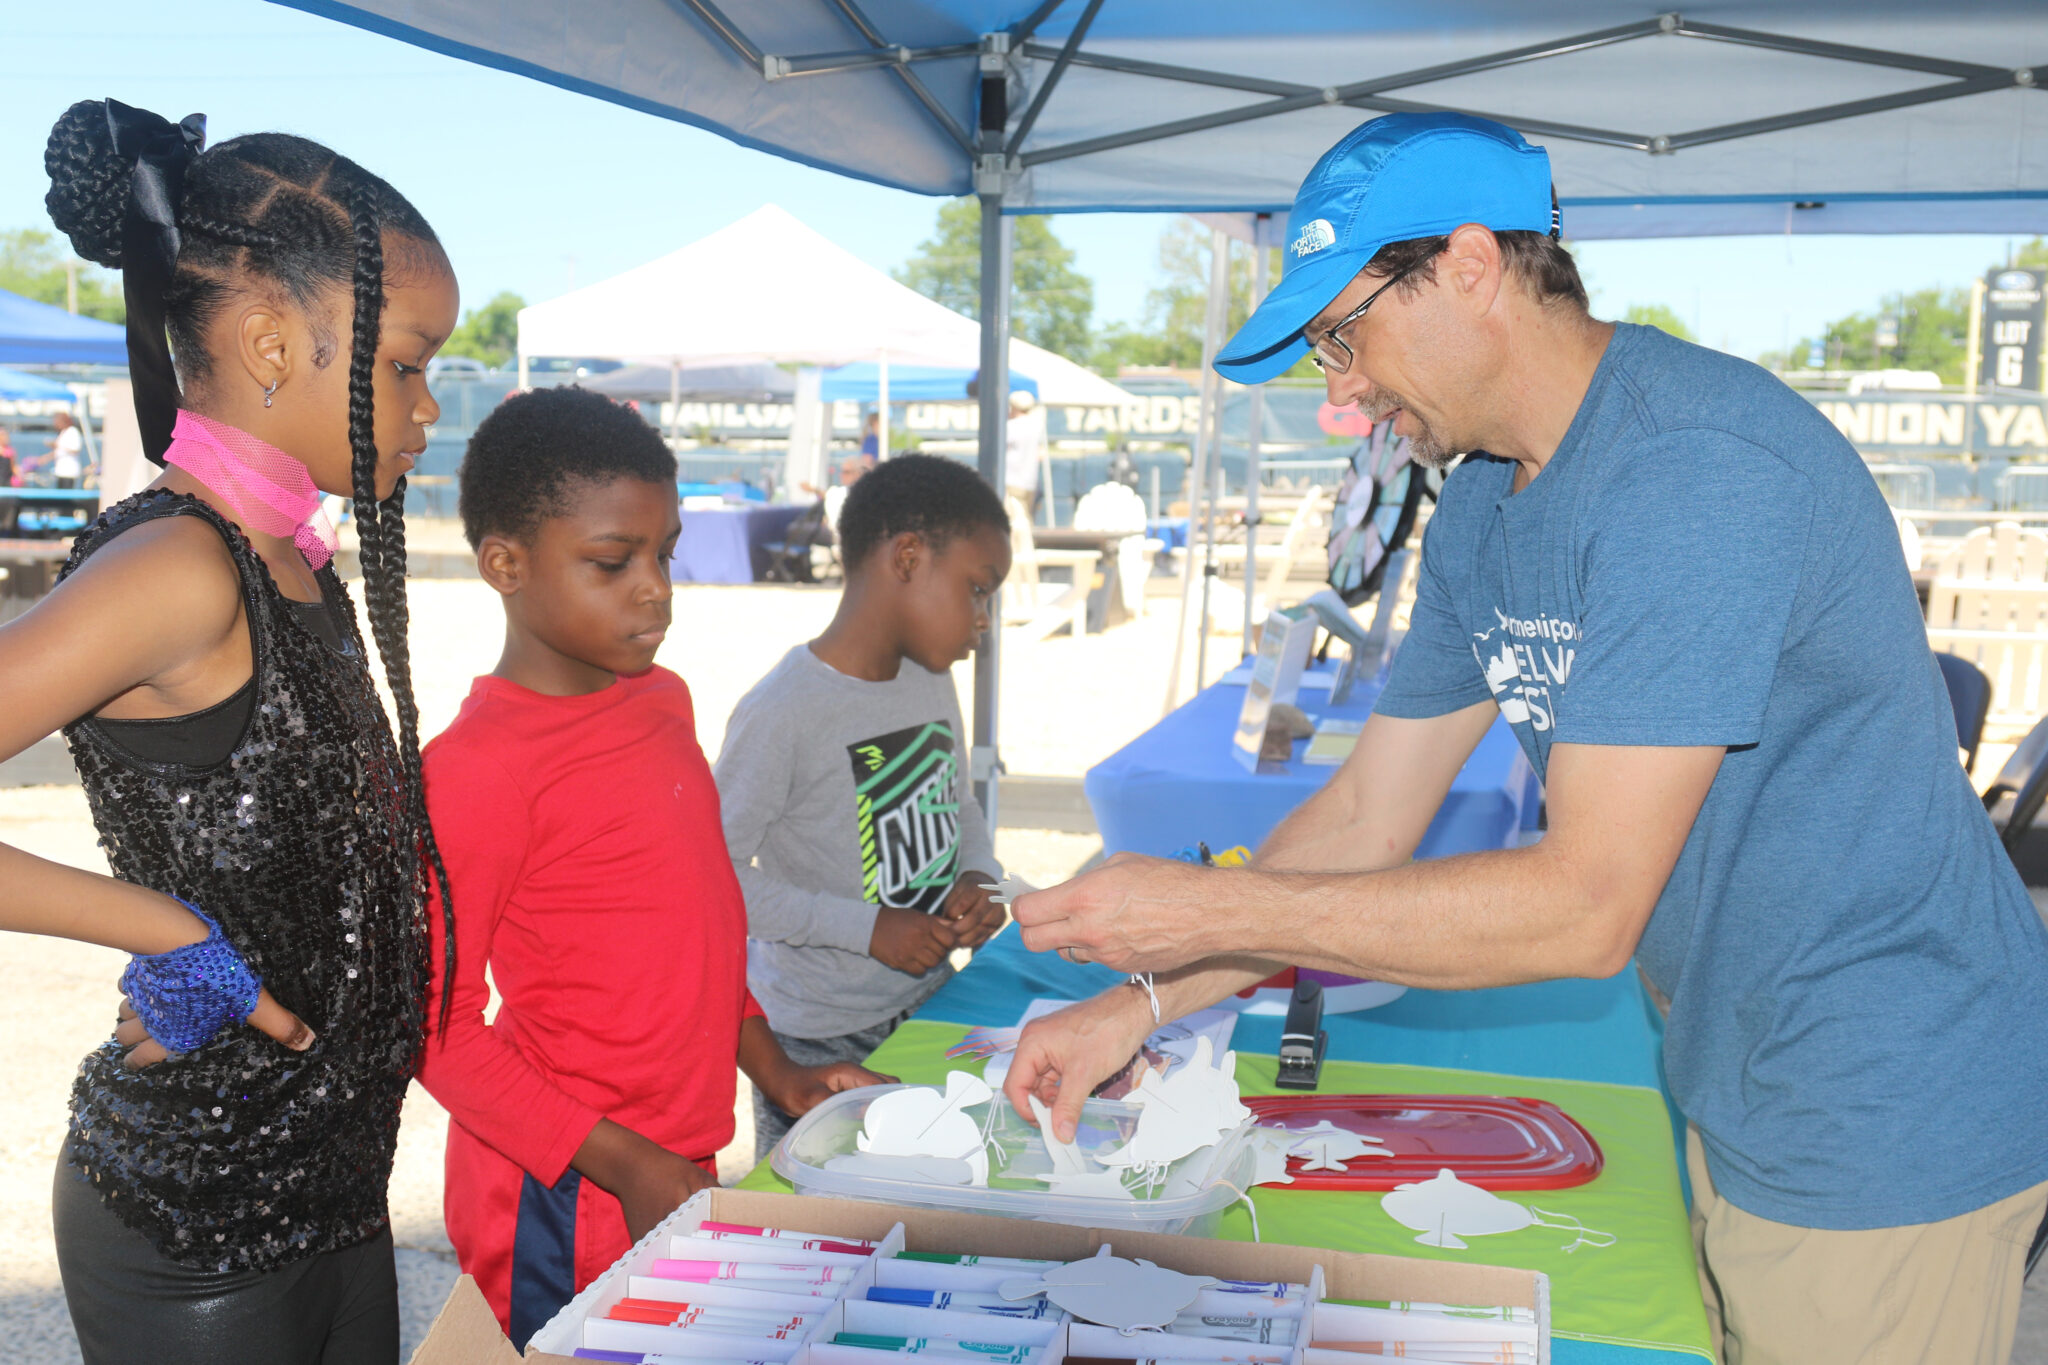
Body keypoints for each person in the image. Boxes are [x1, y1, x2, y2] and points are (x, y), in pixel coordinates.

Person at [1000, 111, 2048, 1365]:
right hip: (1739, 1063)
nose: (1338, 390)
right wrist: (1141, 1003)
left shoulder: (1693, 472)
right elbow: (1364, 818)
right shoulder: (1483, 506)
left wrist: (1203, 910)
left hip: (1887, 1096)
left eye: (1341, 335)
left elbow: (1584, 907)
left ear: (1467, 265)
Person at [29, 100, 459, 1364]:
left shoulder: (290, 558)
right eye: (405, 365)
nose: (429, 407)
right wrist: (162, 930)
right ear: (272, 342)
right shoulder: (178, 566)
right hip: (198, 1218)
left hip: (337, 1189)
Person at [416, 385, 890, 1344]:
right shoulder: (476, 769)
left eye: (665, 552)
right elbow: (435, 1031)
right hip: (565, 1188)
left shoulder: (661, 700)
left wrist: (777, 1069)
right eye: (612, 561)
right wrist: (623, 1161)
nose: (655, 588)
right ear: (505, 564)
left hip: (673, 1161)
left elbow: (694, 928)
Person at [716, 453, 1011, 1159]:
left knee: (932, 1185)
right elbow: (714, 880)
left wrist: (980, 876)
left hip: (932, 1003)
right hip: (818, 1040)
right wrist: (865, 928)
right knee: (826, 1209)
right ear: (907, 558)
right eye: (977, 590)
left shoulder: (927, 677)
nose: (983, 621)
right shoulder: (783, 710)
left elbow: (956, 802)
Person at [1004, 389, 1045, 514]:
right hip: (1030, 481)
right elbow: (1041, 454)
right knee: (1027, 517)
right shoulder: (1037, 426)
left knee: (1013, 519)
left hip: (1010, 480)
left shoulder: (1010, 426)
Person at [48, 410, 84, 488]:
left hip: (69, 472)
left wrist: (58, 445)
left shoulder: (73, 432)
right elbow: (58, 451)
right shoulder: (63, 432)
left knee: (67, 492)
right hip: (60, 471)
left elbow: (75, 449)